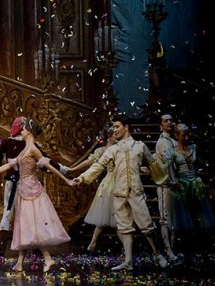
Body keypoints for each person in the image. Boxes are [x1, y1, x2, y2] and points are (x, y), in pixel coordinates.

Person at [71, 113, 169, 271]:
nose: (114, 130)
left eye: (117, 127)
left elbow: (153, 165)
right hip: (119, 193)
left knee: (147, 226)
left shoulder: (139, 146)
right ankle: (128, 261)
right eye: (114, 127)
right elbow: (98, 165)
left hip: (135, 192)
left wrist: (164, 179)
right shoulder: (113, 149)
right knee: (124, 228)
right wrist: (82, 178)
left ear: (126, 127)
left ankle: (158, 255)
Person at [0, 118, 73, 273]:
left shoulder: (33, 149)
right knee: (25, 225)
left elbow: (49, 166)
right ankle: (20, 262)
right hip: (23, 190)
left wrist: (66, 180)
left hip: (32, 191)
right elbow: (9, 165)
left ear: (29, 131)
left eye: (22, 129)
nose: (20, 132)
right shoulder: (25, 149)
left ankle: (46, 259)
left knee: (31, 225)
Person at [67, 123, 118, 252]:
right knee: (104, 214)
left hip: (121, 181)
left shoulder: (121, 149)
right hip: (109, 184)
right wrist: (74, 169)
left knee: (121, 216)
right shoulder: (102, 150)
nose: (117, 135)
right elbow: (91, 162)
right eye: (114, 134)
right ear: (109, 137)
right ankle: (93, 242)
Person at [172, 123, 215, 235]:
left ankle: (201, 236)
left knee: (200, 210)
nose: (187, 138)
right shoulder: (172, 151)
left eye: (188, 135)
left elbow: (198, 164)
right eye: (183, 135)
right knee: (187, 212)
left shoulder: (193, 147)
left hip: (195, 182)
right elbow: (170, 169)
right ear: (176, 135)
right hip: (183, 184)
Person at [154, 113, 180, 263]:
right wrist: (173, 180)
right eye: (166, 121)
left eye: (171, 120)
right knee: (166, 219)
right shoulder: (163, 142)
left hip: (174, 184)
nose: (169, 122)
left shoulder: (172, 141)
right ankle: (168, 250)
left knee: (174, 218)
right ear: (161, 125)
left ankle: (173, 249)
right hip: (167, 184)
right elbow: (168, 162)